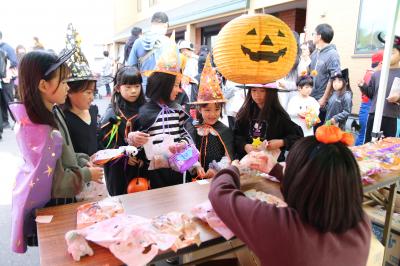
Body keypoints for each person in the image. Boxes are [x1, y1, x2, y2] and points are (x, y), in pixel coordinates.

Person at [209, 130, 370, 266]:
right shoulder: (362, 222)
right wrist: (277, 170)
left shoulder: (283, 228)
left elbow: (219, 194)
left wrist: (233, 169)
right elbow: (319, 186)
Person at [10, 49, 103, 252]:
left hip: (63, 200)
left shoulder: (52, 111)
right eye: (62, 82)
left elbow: (65, 154)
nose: (67, 87)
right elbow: (57, 183)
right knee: (62, 253)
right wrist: (87, 173)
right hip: (56, 204)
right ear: (43, 85)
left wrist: (81, 159)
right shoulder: (40, 129)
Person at [100, 67, 147, 196]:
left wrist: (143, 156)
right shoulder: (112, 114)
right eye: (128, 87)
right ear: (117, 88)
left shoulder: (146, 109)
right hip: (119, 170)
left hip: (142, 167)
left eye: (137, 86)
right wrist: (123, 158)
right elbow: (107, 145)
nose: (133, 91)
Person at [188, 56, 234, 179]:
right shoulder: (194, 127)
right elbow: (188, 150)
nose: (212, 114)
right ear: (199, 109)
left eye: (217, 109)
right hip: (194, 178)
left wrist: (216, 169)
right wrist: (195, 166)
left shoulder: (224, 130)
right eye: (207, 110)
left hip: (217, 178)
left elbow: (228, 156)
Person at [233, 83, 304, 161]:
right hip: (249, 161)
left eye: (262, 91)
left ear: (271, 93)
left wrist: (281, 142)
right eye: (254, 90)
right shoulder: (245, 113)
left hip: (272, 164)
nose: (257, 94)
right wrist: (245, 146)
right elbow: (236, 135)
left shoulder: (280, 115)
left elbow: (297, 136)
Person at [359, 33, 400, 142]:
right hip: (373, 115)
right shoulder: (377, 74)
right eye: (386, 52)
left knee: (387, 149)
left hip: (391, 117)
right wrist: (363, 86)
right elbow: (372, 94)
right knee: (369, 145)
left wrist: (398, 99)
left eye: (392, 53)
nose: (388, 55)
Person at [127, 11, 171, 94]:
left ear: (151, 24)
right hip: (164, 89)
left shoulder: (138, 42)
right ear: (165, 25)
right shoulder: (170, 43)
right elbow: (175, 69)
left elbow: (131, 68)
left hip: (144, 88)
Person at [309, 24, 341, 127]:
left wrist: (324, 98)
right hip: (311, 99)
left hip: (322, 102)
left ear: (319, 36)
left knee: (320, 131)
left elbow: (334, 78)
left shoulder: (332, 54)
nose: (312, 36)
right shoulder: (315, 53)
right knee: (310, 129)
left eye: (313, 34)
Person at [355, 50, 383, 145]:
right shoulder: (372, 74)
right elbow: (370, 95)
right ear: (381, 62)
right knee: (364, 137)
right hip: (368, 107)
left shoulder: (370, 73)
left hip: (367, 107)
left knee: (363, 135)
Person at [0, 30, 18, 133]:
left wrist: (5, 65)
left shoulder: (7, 48)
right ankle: (5, 122)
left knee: (9, 101)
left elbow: (14, 61)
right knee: (2, 101)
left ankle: (17, 120)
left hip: (7, 78)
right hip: (1, 79)